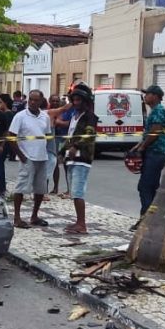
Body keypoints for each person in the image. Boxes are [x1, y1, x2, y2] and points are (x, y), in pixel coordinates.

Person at [8, 90, 53, 229]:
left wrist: (50, 153)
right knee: (21, 187)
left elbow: (47, 135)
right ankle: (17, 217)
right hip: (27, 156)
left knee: (40, 189)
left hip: (42, 156)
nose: (32, 102)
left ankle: (34, 216)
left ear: (41, 101)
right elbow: (11, 137)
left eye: (36, 100)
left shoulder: (45, 117)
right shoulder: (20, 116)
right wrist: (21, 156)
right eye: (30, 100)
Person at [130, 85, 165, 230]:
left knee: (145, 186)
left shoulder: (159, 110)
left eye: (148, 94)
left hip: (156, 152)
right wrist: (138, 145)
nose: (145, 97)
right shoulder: (154, 111)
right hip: (153, 151)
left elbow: (155, 132)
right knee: (151, 187)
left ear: (155, 96)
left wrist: (142, 147)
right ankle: (152, 218)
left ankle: (146, 219)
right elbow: (149, 132)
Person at [61, 84, 97, 234]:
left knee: (77, 192)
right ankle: (78, 221)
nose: (76, 103)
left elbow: (89, 136)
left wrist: (76, 146)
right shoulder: (74, 117)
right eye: (74, 100)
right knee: (74, 192)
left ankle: (82, 224)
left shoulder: (90, 117)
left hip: (82, 158)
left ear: (85, 101)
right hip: (70, 158)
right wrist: (62, 151)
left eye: (79, 100)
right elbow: (70, 136)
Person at [48, 94, 67, 197]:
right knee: (51, 163)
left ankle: (56, 187)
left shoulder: (63, 112)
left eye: (57, 101)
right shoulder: (47, 112)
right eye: (53, 101)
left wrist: (59, 122)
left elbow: (68, 123)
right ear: (49, 101)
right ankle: (47, 187)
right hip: (51, 139)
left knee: (61, 164)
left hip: (62, 138)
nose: (55, 103)